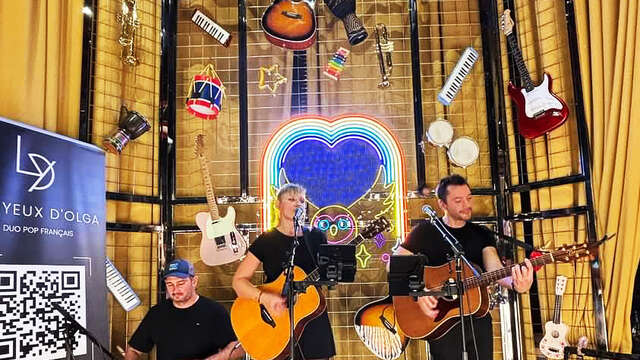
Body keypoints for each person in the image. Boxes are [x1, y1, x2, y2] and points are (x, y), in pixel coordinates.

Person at [393, 174, 534, 360]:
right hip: (441, 321)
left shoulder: (481, 234)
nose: (466, 204)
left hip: (477, 317)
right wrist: (419, 290)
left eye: (468, 198)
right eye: (458, 200)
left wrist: (517, 284)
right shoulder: (425, 231)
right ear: (442, 205)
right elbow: (394, 266)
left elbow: (494, 270)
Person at [232, 183, 336, 360]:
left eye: (302, 201)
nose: (298, 204)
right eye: (291, 199)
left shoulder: (316, 237)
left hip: (311, 319)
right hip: (276, 322)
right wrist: (264, 297)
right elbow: (238, 281)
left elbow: (329, 277)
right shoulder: (266, 240)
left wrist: (335, 272)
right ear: (278, 205)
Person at [124, 259, 244, 360]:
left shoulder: (214, 311)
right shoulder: (157, 313)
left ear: (194, 282)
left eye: (181, 283)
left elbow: (238, 348)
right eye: (170, 284)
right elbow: (134, 349)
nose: (175, 289)